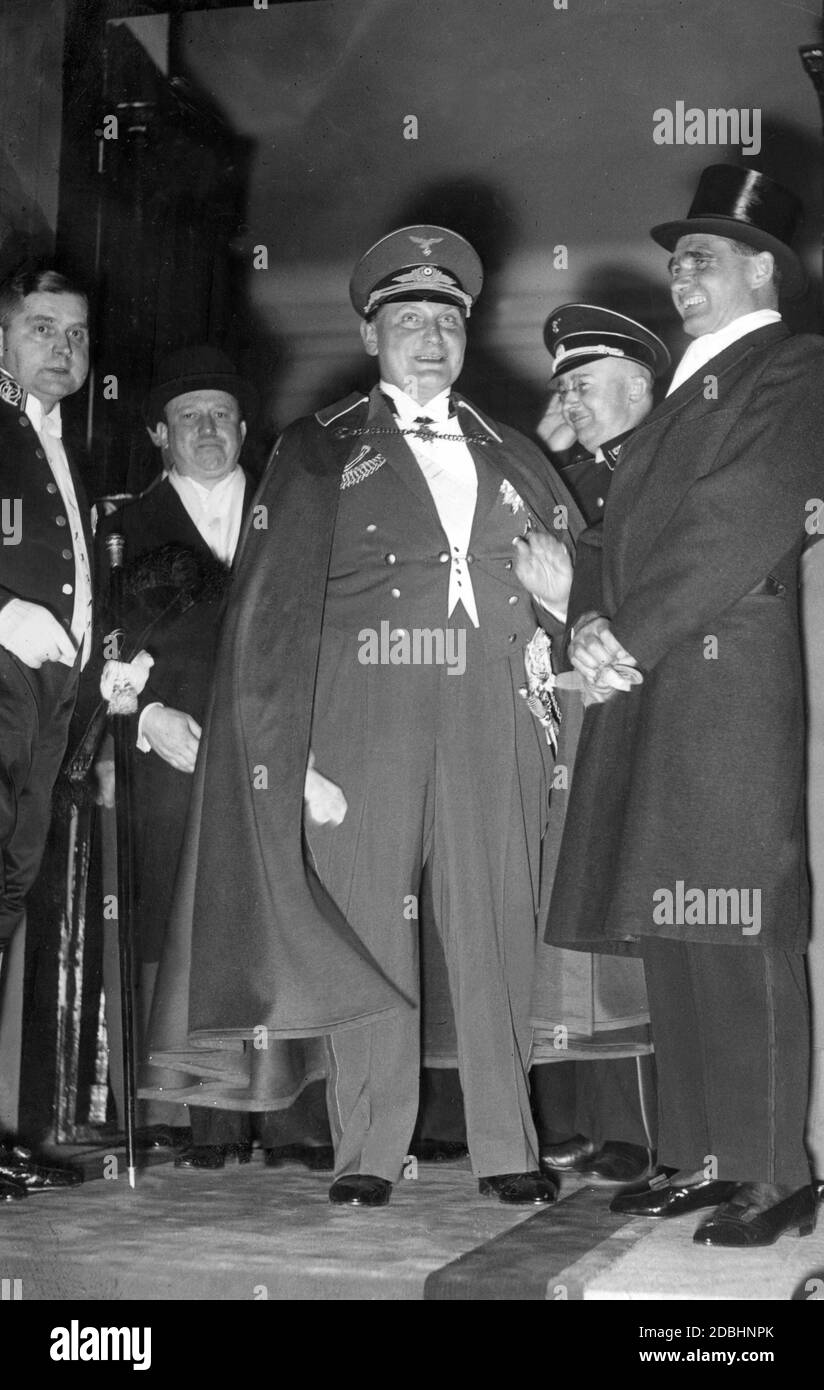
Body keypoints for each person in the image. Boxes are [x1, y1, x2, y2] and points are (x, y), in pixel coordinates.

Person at [146, 224, 584, 1208]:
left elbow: (572, 582)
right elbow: (270, 618)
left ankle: (507, 1144)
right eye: (406, 319)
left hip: (490, 716)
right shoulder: (315, 446)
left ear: (464, 332)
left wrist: (552, 654)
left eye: (444, 319)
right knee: (366, 935)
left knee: (495, 925)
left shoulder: (510, 450)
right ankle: (367, 1149)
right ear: (368, 328)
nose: (428, 337)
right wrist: (286, 753)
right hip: (361, 721)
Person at [547, 165, 824, 1246]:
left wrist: (630, 631)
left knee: (736, 917)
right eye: (674, 259)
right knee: (674, 919)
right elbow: (615, 532)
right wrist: (586, 623)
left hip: (721, 672)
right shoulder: (681, 392)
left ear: (762, 267)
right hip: (655, 673)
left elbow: (742, 515)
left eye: (701, 255)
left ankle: (772, 1169)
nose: (679, 273)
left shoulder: (791, 365)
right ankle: (699, 1153)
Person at [97, 346, 333, 1172]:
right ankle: (197, 1120)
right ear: (160, 433)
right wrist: (146, 715)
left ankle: (297, 1122)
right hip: (172, 762)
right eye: (189, 417)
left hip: (279, 752)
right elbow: (100, 646)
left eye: (223, 416)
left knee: (281, 919)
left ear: (243, 429)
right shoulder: (121, 531)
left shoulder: (294, 512)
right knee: (180, 924)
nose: (208, 429)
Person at [527, 305, 670, 1189]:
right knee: (571, 911)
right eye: (563, 387)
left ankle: (640, 1125)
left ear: (641, 387)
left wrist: (570, 589)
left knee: (637, 924)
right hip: (571, 721)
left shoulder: (677, 470)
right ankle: (578, 1114)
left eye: (583, 385)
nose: (569, 402)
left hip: (651, 715)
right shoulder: (562, 479)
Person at [0, 267, 92, 1201]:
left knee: (8, 898)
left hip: (50, 692)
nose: (61, 347)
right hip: (0, 673)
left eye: (74, 333)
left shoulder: (65, 441)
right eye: (39, 329)